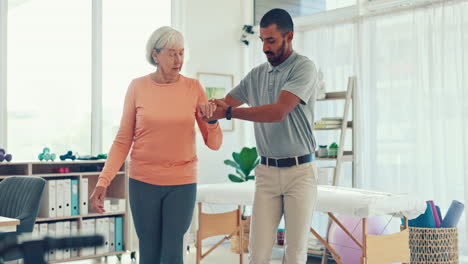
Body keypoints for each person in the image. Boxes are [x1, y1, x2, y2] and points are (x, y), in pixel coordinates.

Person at [90, 26, 222, 264]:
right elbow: (122, 140)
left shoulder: (193, 88)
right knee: (149, 252)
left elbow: (214, 143)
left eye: (181, 53)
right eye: (172, 53)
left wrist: (211, 121)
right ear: (155, 55)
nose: (178, 60)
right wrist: (103, 181)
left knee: (172, 253)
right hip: (143, 182)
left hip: (182, 183)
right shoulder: (137, 87)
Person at [202, 8, 319, 264]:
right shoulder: (256, 75)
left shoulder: (304, 68)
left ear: (289, 37)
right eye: (262, 41)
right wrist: (208, 108)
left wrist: (230, 113)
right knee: (257, 252)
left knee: (295, 253)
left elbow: (278, 112)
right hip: (266, 173)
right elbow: (223, 104)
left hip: (299, 172)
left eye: (271, 41)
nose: (265, 48)